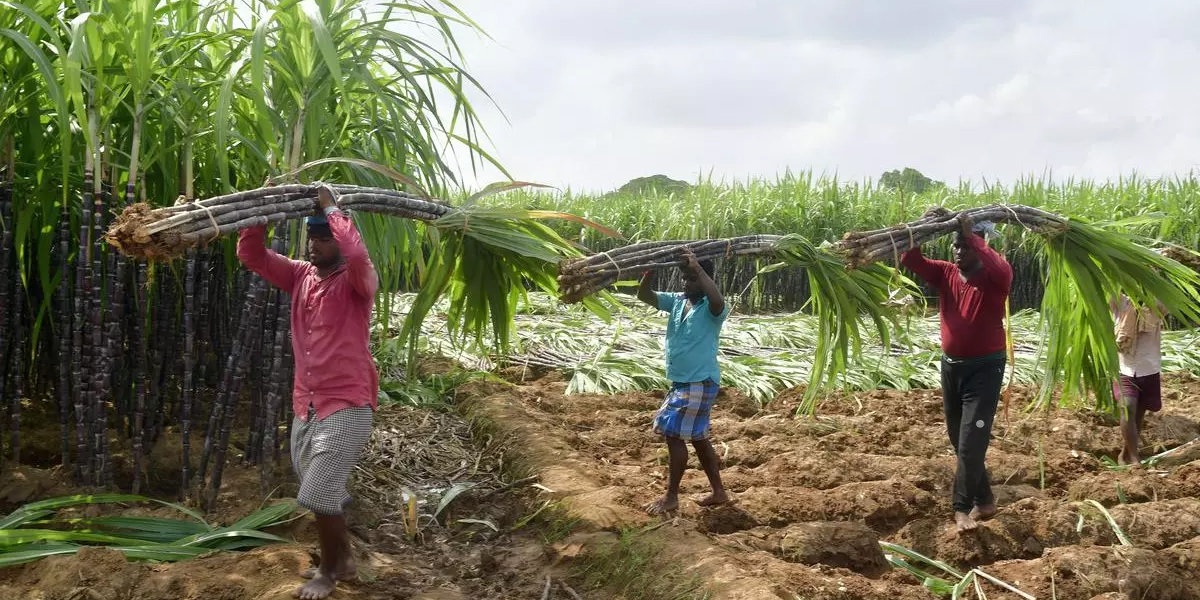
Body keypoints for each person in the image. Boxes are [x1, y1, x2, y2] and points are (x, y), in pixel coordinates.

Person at [236, 184, 379, 600]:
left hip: (348, 401)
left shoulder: (358, 280)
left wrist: (332, 207)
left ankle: (329, 572)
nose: (315, 246)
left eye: (323, 239)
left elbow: (355, 253)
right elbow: (252, 256)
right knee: (319, 485)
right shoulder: (300, 275)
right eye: (312, 238)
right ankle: (347, 559)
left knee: (316, 491)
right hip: (308, 401)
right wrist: (260, 212)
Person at [901, 214, 1012, 534]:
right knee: (957, 437)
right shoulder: (945, 273)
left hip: (986, 368)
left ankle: (962, 507)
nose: (958, 252)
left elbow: (1002, 268)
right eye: (955, 246)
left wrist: (971, 235)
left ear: (980, 247)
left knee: (971, 441)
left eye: (964, 247)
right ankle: (987, 499)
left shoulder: (995, 278)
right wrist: (921, 227)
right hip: (952, 368)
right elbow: (911, 258)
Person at [637, 247, 731, 515]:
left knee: (672, 433)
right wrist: (649, 272)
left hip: (699, 382)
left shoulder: (712, 309)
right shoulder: (678, 301)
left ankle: (671, 497)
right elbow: (644, 295)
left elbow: (717, 298)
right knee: (699, 438)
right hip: (682, 382)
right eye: (684, 278)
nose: (685, 283)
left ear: (703, 279)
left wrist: (698, 269)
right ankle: (719, 492)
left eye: (691, 278)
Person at [1111, 293, 1166, 465]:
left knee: (1138, 415)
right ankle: (1135, 459)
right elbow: (1105, 284)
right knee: (1127, 408)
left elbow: (1172, 298)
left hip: (1149, 369)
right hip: (1125, 369)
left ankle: (1125, 453)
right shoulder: (1121, 302)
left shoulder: (1157, 305)